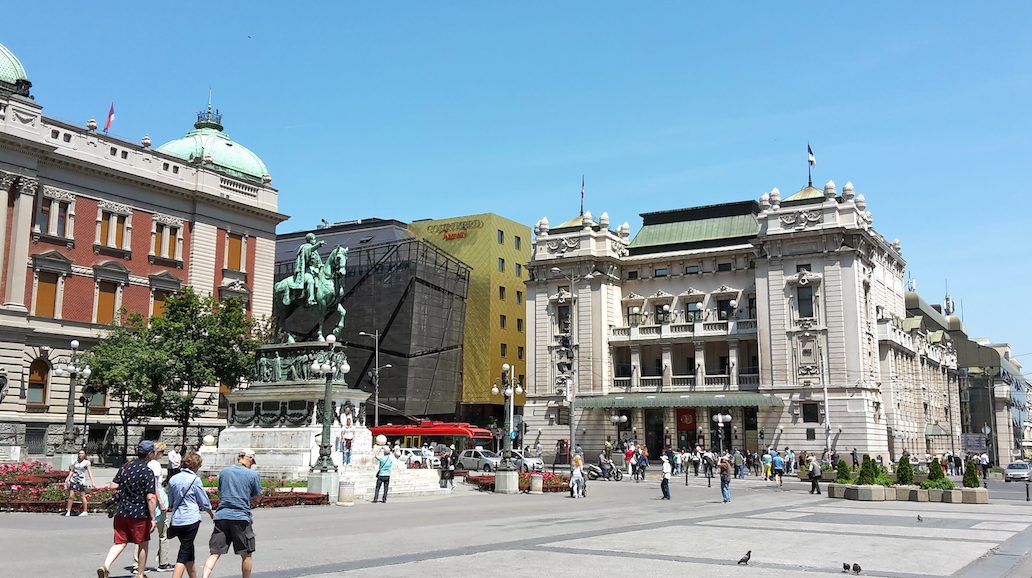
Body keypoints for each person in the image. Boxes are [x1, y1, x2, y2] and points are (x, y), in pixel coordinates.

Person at [98, 440, 158, 578]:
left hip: (121, 512)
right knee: (143, 544)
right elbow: (151, 497)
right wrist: (153, 518)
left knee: (120, 542)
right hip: (139, 514)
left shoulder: (126, 467)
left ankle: (105, 566)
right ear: (149, 454)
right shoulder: (147, 471)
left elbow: (112, 486)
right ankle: (140, 574)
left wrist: (126, 488)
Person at [202, 449, 262, 578]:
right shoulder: (252, 475)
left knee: (215, 553)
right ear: (249, 459)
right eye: (252, 461)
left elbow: (220, 491)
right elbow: (257, 497)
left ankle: (205, 576)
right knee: (246, 554)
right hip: (241, 517)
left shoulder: (224, 472)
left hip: (222, 516)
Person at [168, 451, 213, 578]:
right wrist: (211, 514)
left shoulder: (173, 479)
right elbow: (204, 502)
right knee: (183, 554)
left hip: (177, 520)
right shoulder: (195, 480)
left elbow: (170, 501)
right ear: (195, 466)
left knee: (188, 550)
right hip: (191, 519)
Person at [135, 441, 171, 573]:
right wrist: (161, 502)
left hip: (146, 500)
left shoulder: (144, 464)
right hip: (157, 499)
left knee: (142, 534)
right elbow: (154, 486)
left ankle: (136, 564)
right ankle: (163, 562)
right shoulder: (155, 464)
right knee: (163, 533)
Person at [65, 449, 96, 516]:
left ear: (84, 455)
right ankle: (68, 511)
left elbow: (89, 472)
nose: (80, 455)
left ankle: (85, 511)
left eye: (82, 453)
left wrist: (92, 481)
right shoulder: (75, 462)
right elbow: (72, 471)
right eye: (79, 453)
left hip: (81, 481)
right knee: (71, 496)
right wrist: (68, 479)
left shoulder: (86, 462)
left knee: (82, 496)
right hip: (73, 480)